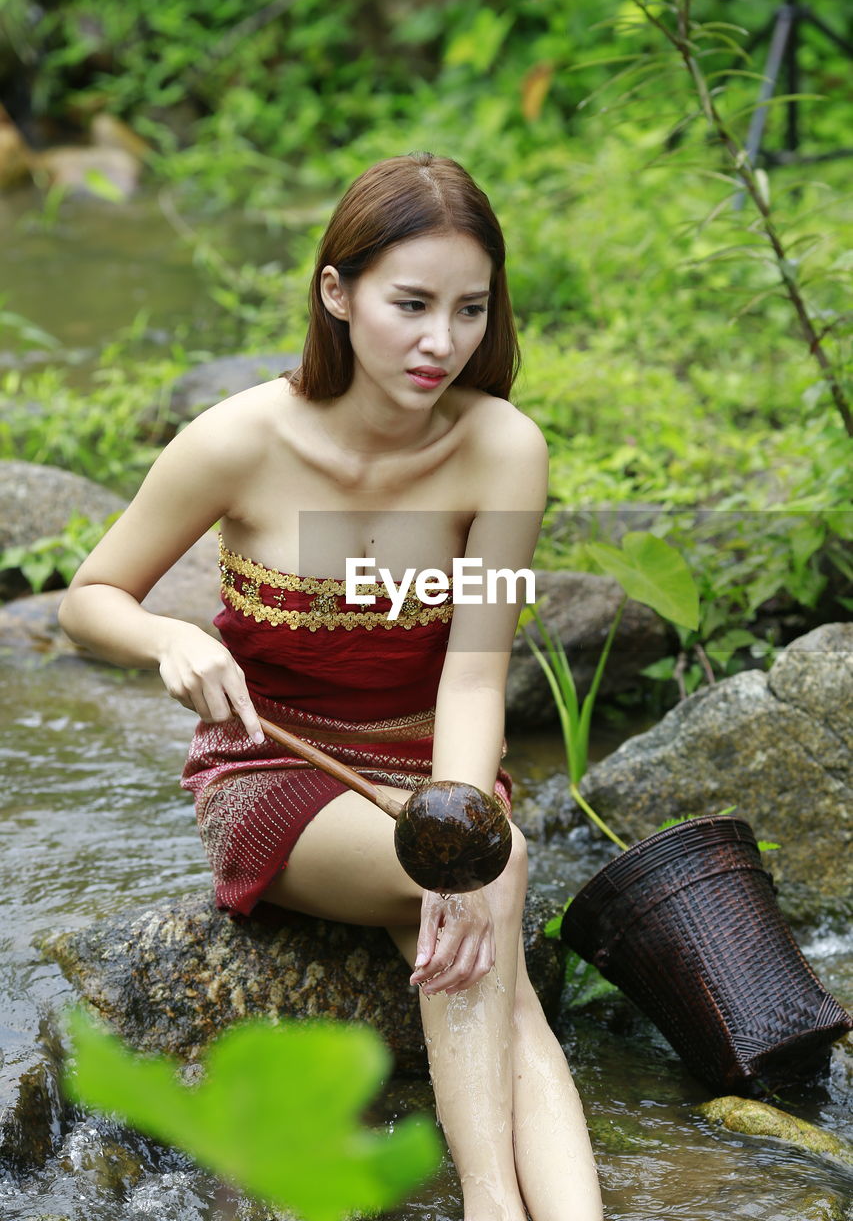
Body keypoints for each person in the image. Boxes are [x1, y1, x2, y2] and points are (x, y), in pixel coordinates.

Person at [58, 152, 604, 1221]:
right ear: (336, 291)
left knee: (486, 936)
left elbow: (477, 664)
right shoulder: (237, 440)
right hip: (278, 763)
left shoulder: (502, 449)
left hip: (430, 762)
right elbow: (89, 596)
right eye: (410, 303)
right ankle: (496, 1205)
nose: (440, 341)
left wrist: (454, 821)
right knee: (485, 879)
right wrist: (168, 637)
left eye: (469, 308)